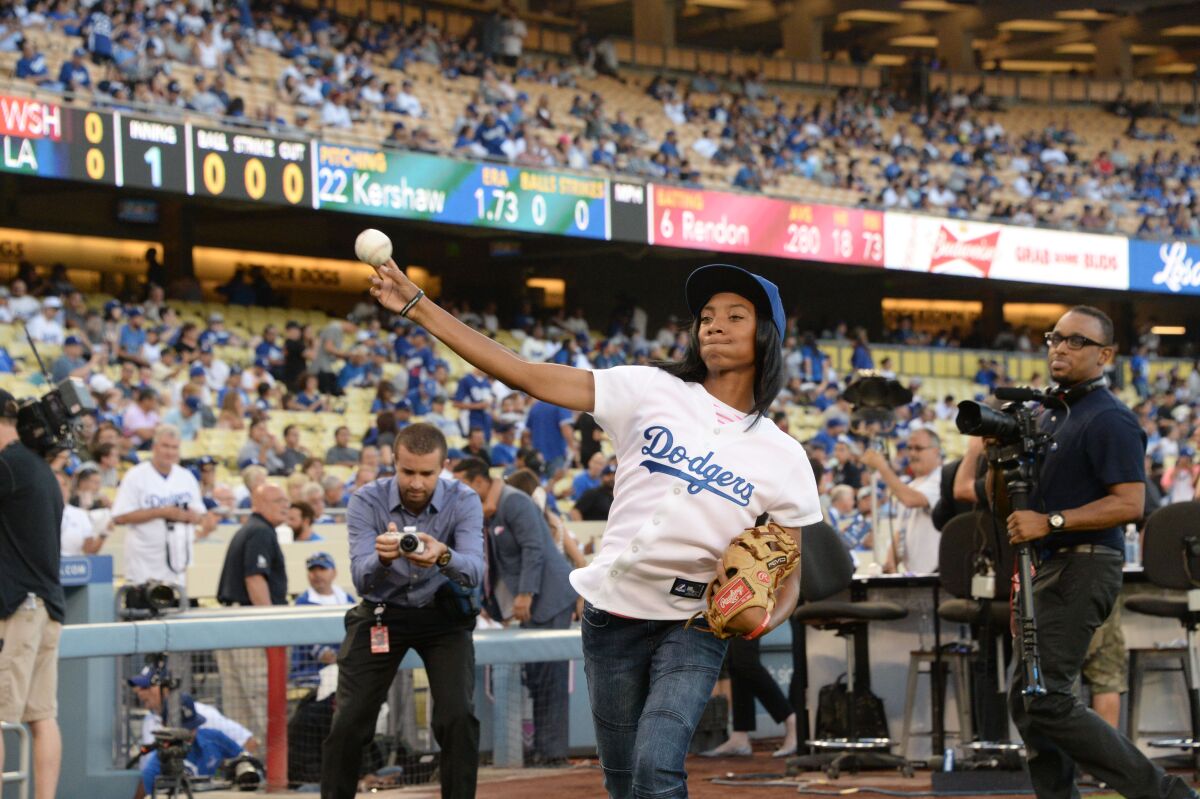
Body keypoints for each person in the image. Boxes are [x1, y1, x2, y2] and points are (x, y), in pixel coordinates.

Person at [367, 259, 821, 799]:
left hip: (694, 623)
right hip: (613, 617)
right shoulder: (649, 389)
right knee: (624, 780)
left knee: (657, 768)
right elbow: (524, 373)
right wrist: (420, 307)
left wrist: (764, 618)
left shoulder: (783, 455)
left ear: (766, 336)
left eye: (735, 316)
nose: (713, 325)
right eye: (705, 316)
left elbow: (789, 566)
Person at [999, 306, 1197, 799]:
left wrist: (1052, 522)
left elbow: (1130, 503)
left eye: (1076, 341)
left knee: (1045, 697)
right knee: (1027, 700)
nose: (1060, 348)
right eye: (1055, 338)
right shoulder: (1049, 414)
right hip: (1051, 565)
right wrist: (995, 455)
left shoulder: (1109, 418)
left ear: (1105, 355)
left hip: (1085, 563)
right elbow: (1011, 505)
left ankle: (1168, 795)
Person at [321, 423, 484, 799]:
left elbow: (474, 570)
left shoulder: (465, 499)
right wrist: (381, 558)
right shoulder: (366, 500)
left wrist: (442, 555)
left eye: (427, 473)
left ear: (443, 466)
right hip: (382, 612)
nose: (416, 482)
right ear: (394, 461)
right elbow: (362, 580)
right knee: (347, 723)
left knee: (458, 718)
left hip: (443, 617)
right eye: (407, 471)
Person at [453, 456, 578, 766]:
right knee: (537, 678)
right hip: (531, 604)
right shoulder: (489, 510)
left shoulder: (514, 501)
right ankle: (544, 749)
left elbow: (534, 547)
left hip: (547, 598)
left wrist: (525, 593)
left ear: (479, 482)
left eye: (463, 484)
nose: (459, 491)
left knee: (550, 676)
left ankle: (553, 754)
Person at [0, 389, 65, 799]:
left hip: (19, 611)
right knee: (41, 716)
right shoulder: (40, 469)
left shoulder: (6, 465)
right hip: (45, 607)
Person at [214, 484, 291, 744]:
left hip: (231, 625)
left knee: (239, 706)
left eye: (286, 500)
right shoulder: (261, 532)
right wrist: (269, 628)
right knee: (262, 697)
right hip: (250, 627)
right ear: (258, 503)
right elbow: (255, 580)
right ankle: (274, 769)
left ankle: (247, 765)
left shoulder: (249, 529)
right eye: (278, 500)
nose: (286, 505)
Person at [112, 424, 206, 589]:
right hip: (144, 563)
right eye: (165, 446)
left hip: (179, 563)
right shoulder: (136, 475)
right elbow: (120, 516)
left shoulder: (186, 477)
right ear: (155, 447)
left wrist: (190, 516)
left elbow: (200, 515)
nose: (169, 452)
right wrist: (162, 512)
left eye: (174, 447)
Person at [861, 428, 943, 574]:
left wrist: (882, 467)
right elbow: (901, 530)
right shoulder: (910, 486)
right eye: (909, 448)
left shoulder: (942, 479)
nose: (912, 453)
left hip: (936, 573)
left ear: (936, 451)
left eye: (918, 448)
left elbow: (911, 499)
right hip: (912, 574)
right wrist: (890, 561)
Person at [127, 664, 256, 753]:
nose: (140, 693)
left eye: (146, 688)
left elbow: (248, 741)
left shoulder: (202, 713)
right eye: (139, 688)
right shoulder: (149, 719)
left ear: (166, 689)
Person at [139, 697, 244, 797]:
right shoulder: (154, 768)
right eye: (184, 730)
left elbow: (245, 759)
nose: (190, 734)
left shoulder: (214, 738)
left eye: (192, 727)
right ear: (165, 727)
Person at [291, 552, 356, 686]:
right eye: (312, 570)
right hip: (309, 673)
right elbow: (306, 638)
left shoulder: (347, 600)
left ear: (334, 572)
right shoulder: (302, 602)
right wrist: (325, 654)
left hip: (344, 670)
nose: (317, 574)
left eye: (322, 569)